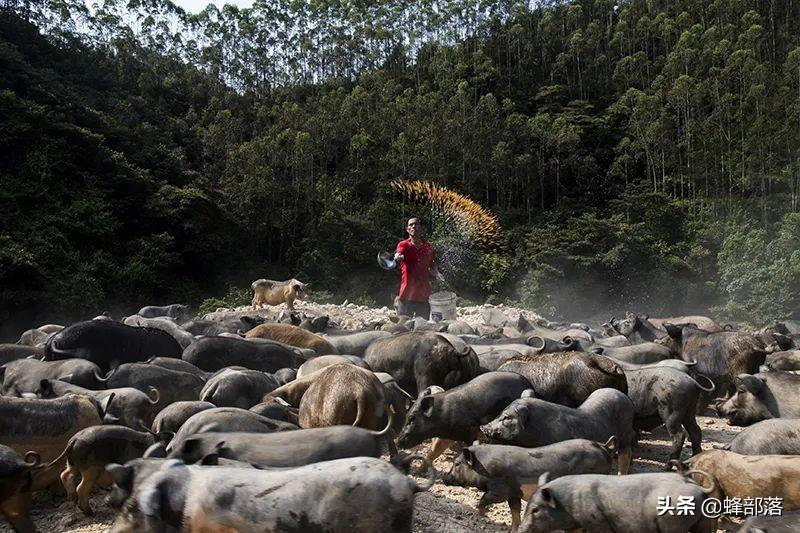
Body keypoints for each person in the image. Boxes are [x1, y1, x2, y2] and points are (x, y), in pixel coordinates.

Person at [394, 217, 441, 318]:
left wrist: (437, 273)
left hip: (424, 296)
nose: (414, 226)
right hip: (406, 295)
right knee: (403, 328)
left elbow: (432, 266)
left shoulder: (428, 247)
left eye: (416, 224)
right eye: (411, 225)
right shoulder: (404, 245)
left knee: (422, 329)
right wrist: (398, 257)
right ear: (407, 229)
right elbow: (398, 254)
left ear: (421, 228)